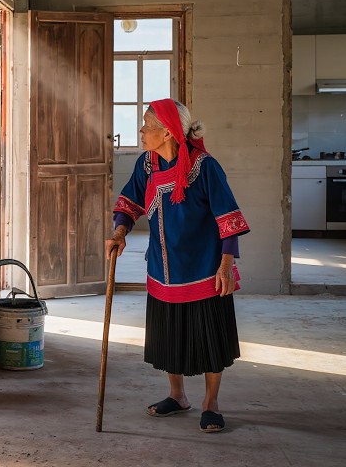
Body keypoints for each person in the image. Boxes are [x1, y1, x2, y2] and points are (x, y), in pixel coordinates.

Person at [105, 98, 251, 434]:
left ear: (168, 132)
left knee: (210, 338)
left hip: (203, 268)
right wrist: (120, 230)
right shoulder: (147, 165)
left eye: (146, 125)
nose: (141, 131)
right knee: (169, 335)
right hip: (163, 269)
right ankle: (177, 395)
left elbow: (228, 217)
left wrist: (226, 265)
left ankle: (210, 404)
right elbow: (129, 202)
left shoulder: (205, 167)